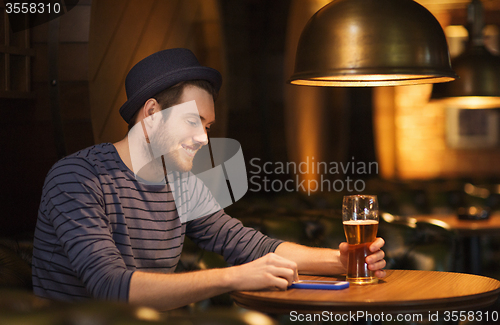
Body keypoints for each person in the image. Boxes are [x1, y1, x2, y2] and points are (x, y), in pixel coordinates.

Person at [32, 48, 386, 311]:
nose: (204, 138)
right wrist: (234, 277)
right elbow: (110, 287)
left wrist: (340, 262)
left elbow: (249, 245)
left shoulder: (181, 185)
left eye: (207, 126)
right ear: (152, 114)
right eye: (193, 121)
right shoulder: (77, 177)